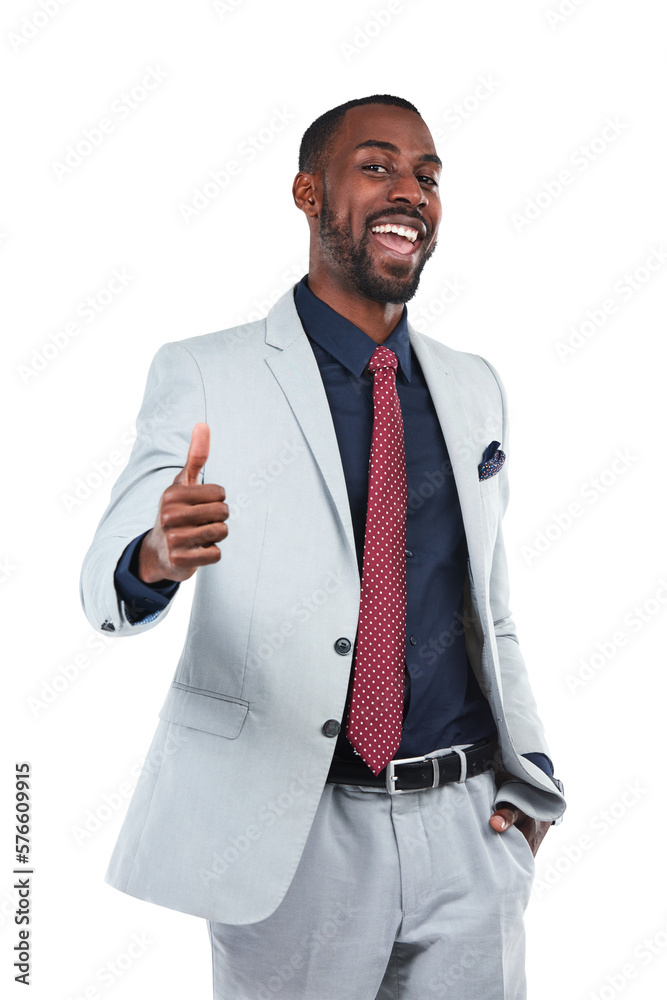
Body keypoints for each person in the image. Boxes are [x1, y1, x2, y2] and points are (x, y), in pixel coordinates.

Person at [80, 94, 566, 999]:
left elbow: (489, 603)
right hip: (291, 834)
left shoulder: (471, 386)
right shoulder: (205, 372)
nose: (410, 191)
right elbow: (102, 586)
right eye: (377, 166)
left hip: (471, 834)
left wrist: (530, 774)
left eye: (427, 176)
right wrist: (155, 556)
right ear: (308, 192)